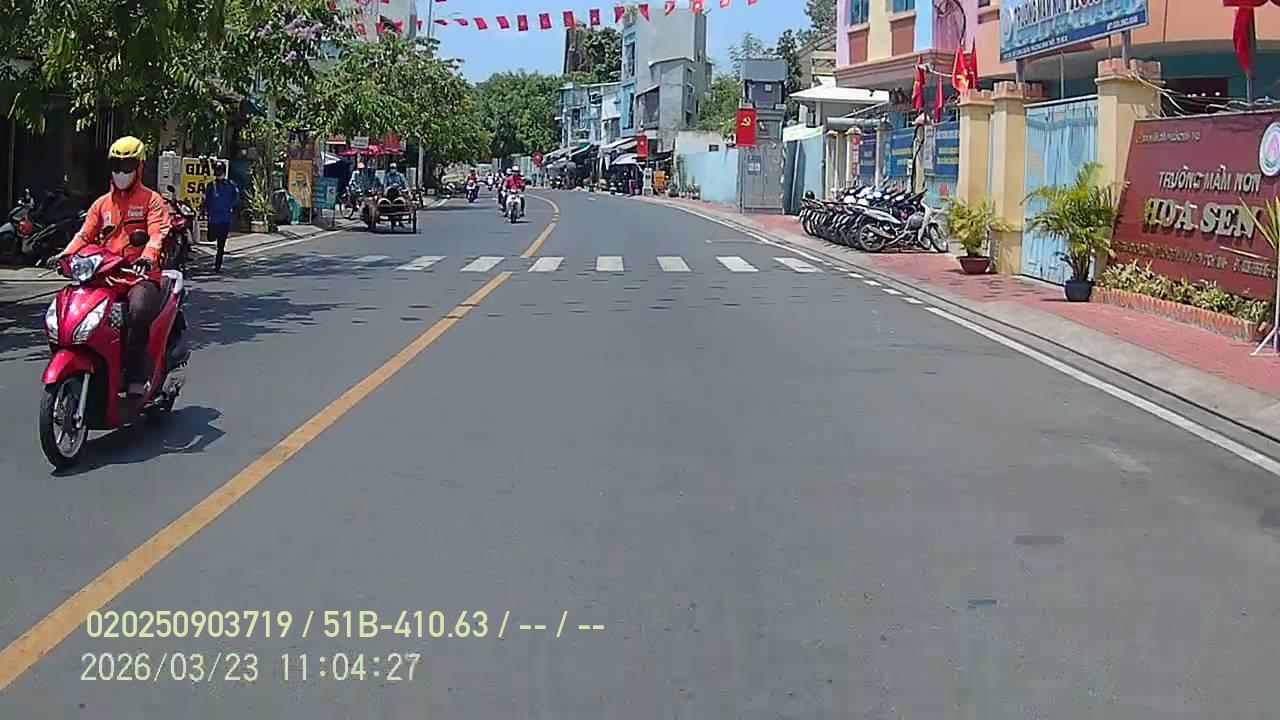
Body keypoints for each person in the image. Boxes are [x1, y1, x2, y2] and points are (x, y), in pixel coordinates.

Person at [52, 136, 172, 398]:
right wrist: (64, 255)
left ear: (139, 167)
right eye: (116, 166)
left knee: (138, 311)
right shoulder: (101, 204)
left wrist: (147, 257)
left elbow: (157, 234)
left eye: (126, 166)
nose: (121, 172)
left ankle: (135, 373)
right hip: (105, 275)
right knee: (73, 306)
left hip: (139, 276)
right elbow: (85, 235)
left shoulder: (152, 201)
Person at [203, 161, 240, 274]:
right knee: (211, 237)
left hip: (224, 219)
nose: (218, 173)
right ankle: (217, 265)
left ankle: (217, 266)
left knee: (221, 245)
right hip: (214, 218)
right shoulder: (211, 185)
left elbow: (236, 199)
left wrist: (231, 208)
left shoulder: (231, 185)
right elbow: (206, 200)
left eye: (219, 171)